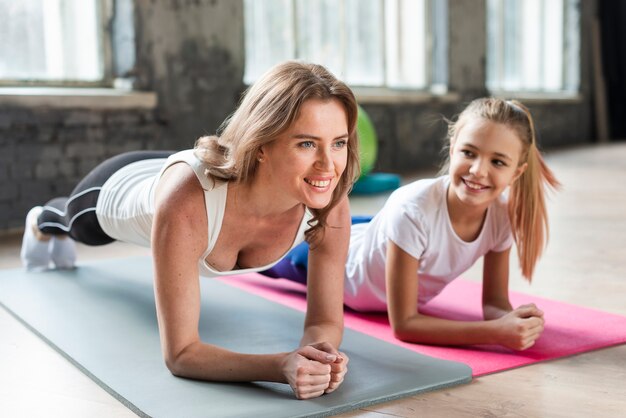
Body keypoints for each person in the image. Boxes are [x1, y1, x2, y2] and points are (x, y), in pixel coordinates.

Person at [20, 61, 361, 399]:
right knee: (72, 225)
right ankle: (40, 221)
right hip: (123, 186)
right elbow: (181, 354)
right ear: (262, 146)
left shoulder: (329, 201)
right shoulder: (188, 203)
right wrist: (280, 366)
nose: (328, 165)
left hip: (212, 173)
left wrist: (319, 355)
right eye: (306, 144)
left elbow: (325, 321)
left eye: (338, 143)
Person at [266, 97, 560, 351]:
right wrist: (495, 333)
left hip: (384, 236)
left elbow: (494, 303)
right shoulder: (413, 209)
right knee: (260, 253)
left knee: (388, 222)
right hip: (343, 265)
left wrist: (515, 321)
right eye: (469, 153)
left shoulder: (502, 216)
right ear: (453, 145)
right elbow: (405, 324)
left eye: (498, 162)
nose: (478, 171)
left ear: (517, 172)